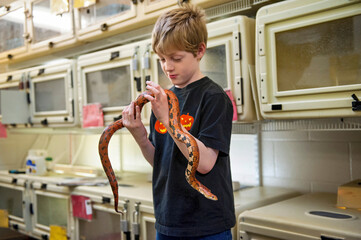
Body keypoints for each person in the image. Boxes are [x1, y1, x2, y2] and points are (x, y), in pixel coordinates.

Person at [122, 3, 235, 240]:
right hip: (168, 219)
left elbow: (203, 164)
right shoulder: (163, 100)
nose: (167, 67)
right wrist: (140, 135)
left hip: (206, 225)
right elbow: (161, 162)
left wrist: (167, 119)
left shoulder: (214, 98)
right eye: (162, 58)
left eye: (176, 58)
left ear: (200, 51)